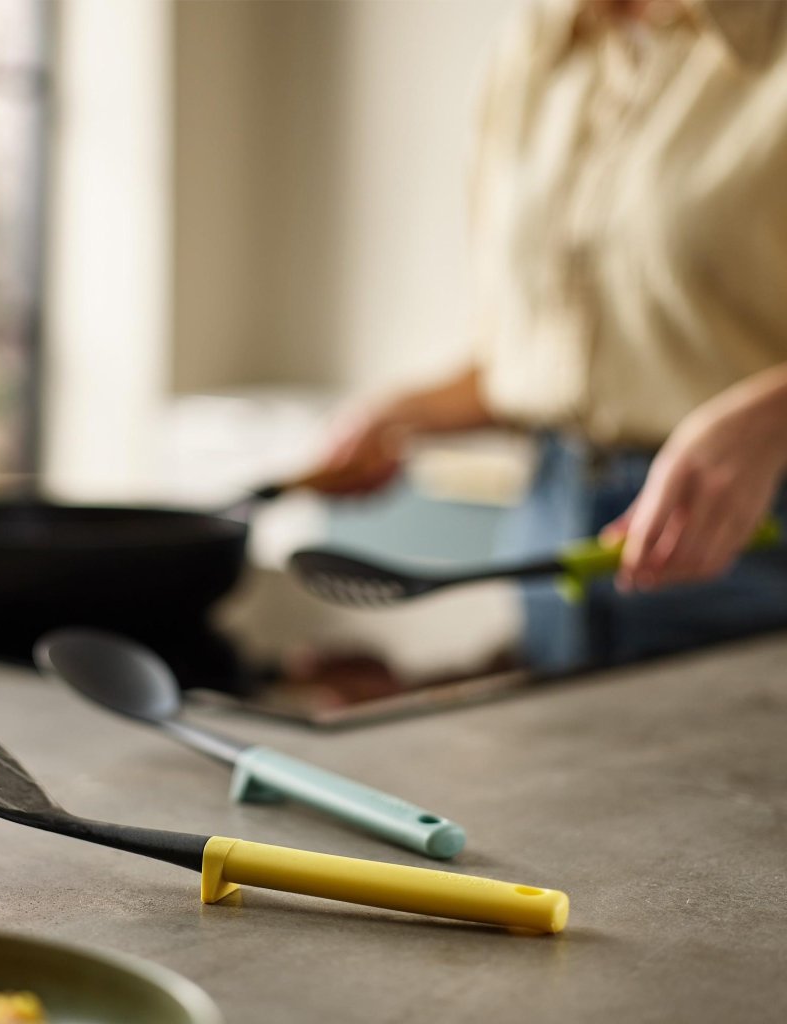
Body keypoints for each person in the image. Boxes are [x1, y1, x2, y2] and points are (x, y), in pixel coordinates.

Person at [307, 0, 787, 672]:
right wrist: (404, 413)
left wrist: (772, 418)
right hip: (549, 530)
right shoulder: (533, 46)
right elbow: (546, 356)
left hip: (752, 540)